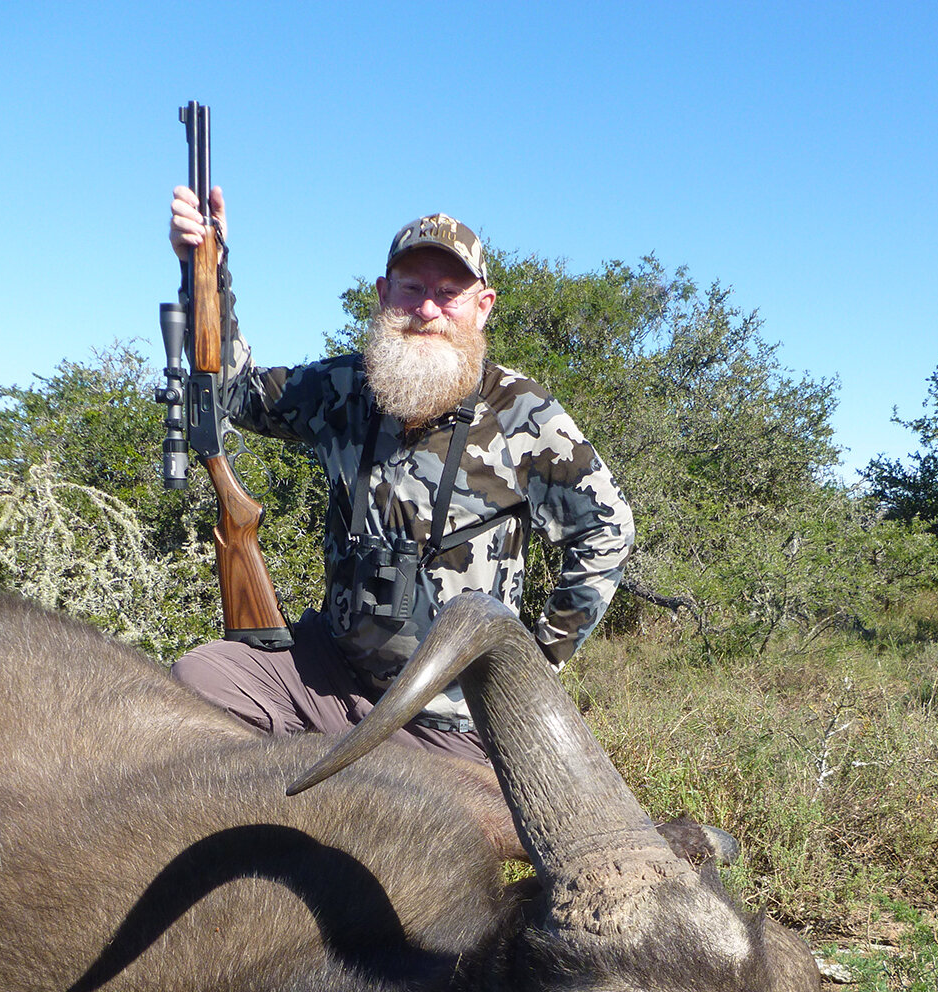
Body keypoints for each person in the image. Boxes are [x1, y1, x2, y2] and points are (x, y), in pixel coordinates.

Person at [168, 191, 636, 764]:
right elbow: (234, 392)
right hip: (327, 677)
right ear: (384, 296)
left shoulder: (521, 411)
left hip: (447, 716)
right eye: (412, 288)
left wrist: (538, 661)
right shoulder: (345, 387)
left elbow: (608, 528)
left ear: (483, 306)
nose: (428, 310)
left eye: (449, 293)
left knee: (411, 832)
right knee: (199, 680)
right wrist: (204, 271)